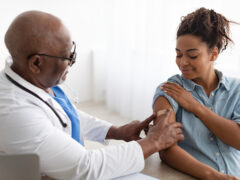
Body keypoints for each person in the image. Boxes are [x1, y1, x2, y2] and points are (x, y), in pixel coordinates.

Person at [0, 10, 184, 180]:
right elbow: (85, 167)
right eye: (68, 57)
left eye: (73, 51)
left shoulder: (29, 76)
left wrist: (116, 131)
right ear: (36, 63)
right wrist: (154, 141)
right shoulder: (14, 111)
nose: (73, 62)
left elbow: (65, 115)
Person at [153, 7, 240, 180]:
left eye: (192, 56)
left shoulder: (236, 89)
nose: (183, 62)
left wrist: (196, 108)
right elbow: (165, 148)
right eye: (178, 55)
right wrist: (213, 176)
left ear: (213, 54)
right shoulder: (169, 91)